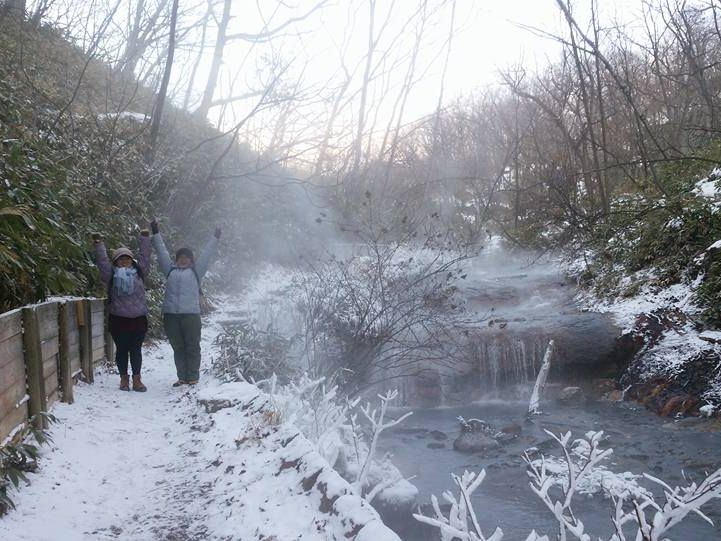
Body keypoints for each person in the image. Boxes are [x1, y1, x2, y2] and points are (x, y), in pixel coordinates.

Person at [150, 219, 220, 387]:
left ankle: (193, 376)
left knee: (192, 346)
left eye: (187, 257)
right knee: (178, 347)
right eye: (180, 257)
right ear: (176, 260)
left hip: (191, 316)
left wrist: (215, 238)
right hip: (171, 316)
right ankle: (182, 377)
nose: (183, 259)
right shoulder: (169, 270)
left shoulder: (196, 271)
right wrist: (156, 233)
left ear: (191, 260)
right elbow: (162, 252)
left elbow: (206, 254)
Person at [93, 230, 151, 392]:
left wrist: (144, 238)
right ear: (116, 261)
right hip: (118, 319)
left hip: (138, 318)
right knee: (122, 350)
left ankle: (137, 379)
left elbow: (145, 256)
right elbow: (102, 261)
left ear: (132, 260)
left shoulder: (140, 272)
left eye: (127, 258)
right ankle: (124, 378)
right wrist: (98, 244)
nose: (124, 261)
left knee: (136, 350)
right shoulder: (111, 275)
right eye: (121, 258)